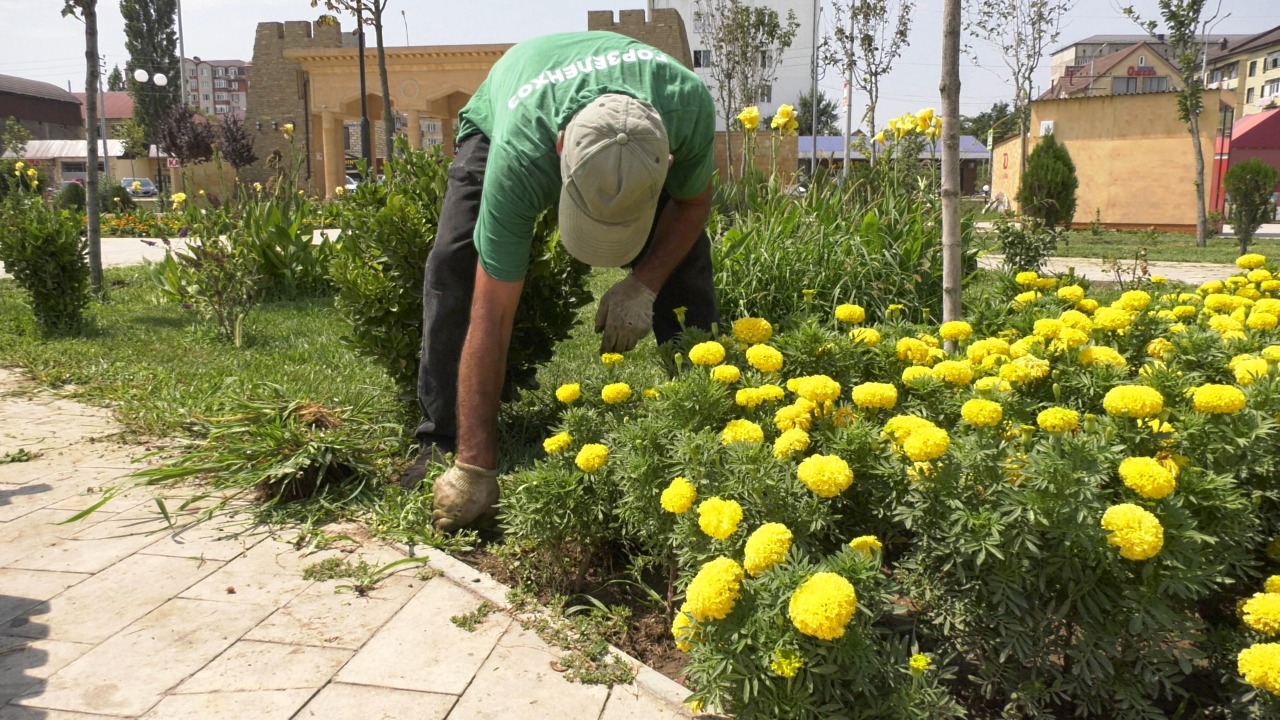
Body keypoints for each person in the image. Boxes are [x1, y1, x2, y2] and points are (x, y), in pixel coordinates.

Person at [399, 31, 721, 531]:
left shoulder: (687, 109)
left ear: (669, 161)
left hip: (634, 123)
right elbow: (493, 312)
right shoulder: (521, 156)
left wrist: (646, 282)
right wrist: (474, 467)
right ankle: (442, 440)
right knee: (455, 262)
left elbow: (692, 205)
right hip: (510, 101)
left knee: (685, 261)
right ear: (560, 150)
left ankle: (704, 422)